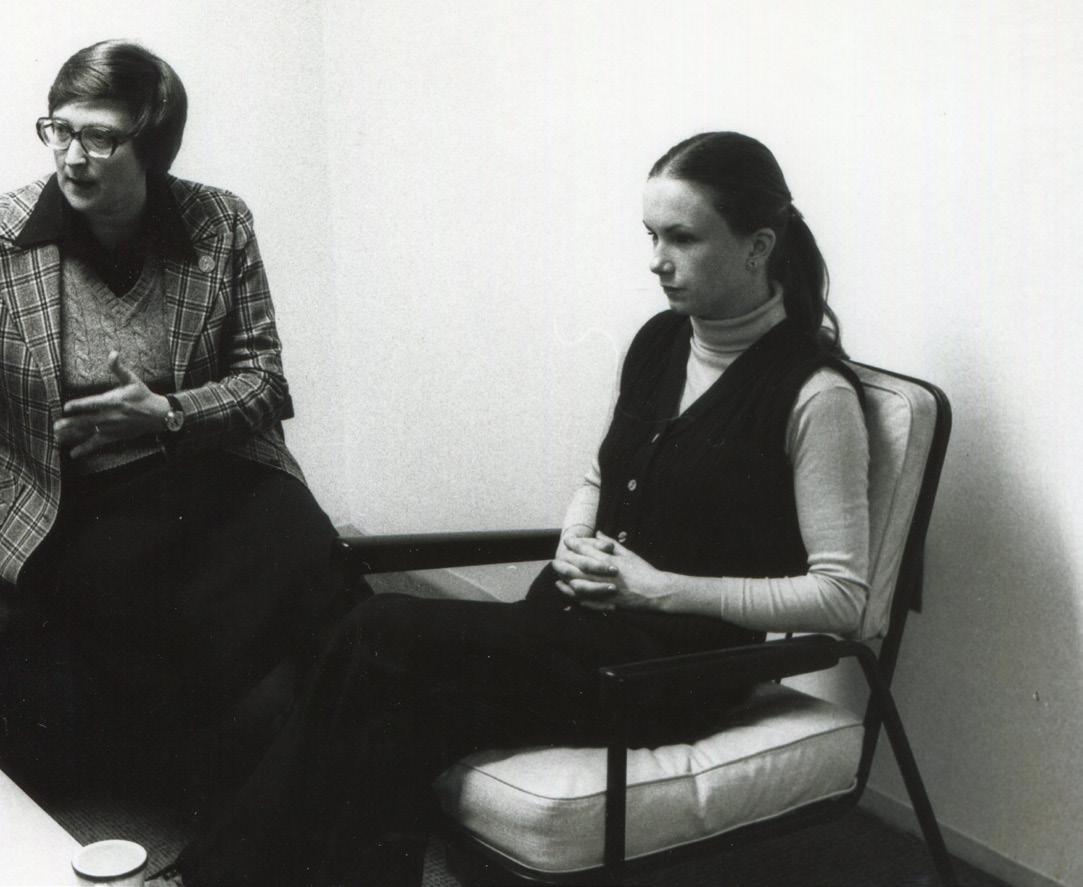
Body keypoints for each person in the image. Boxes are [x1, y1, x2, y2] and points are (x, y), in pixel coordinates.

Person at [160, 131, 870, 886]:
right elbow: (601, 473)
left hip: (666, 675)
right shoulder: (661, 342)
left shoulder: (814, 395)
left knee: (378, 627)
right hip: (566, 632)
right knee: (388, 711)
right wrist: (574, 536)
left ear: (758, 246)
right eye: (651, 235)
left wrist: (662, 589)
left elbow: (843, 597)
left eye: (682, 238)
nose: (657, 260)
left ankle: (208, 877)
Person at [0, 41, 342, 796]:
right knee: (112, 631)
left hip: (206, 470)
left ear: (153, 147)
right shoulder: (6, 236)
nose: (72, 157)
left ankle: (330, 753)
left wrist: (167, 414)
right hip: (69, 495)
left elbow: (264, 383)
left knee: (313, 556)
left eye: (100, 137)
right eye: (59, 129)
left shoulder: (218, 221)